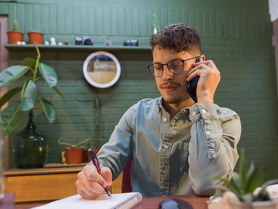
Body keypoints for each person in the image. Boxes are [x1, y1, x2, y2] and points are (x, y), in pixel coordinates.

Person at [76, 23, 241, 199]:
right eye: (158, 67)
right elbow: (107, 160)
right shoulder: (136, 115)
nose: (166, 76)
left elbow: (208, 186)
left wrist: (205, 99)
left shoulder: (226, 120)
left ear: (199, 63)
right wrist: (93, 174)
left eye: (175, 65)